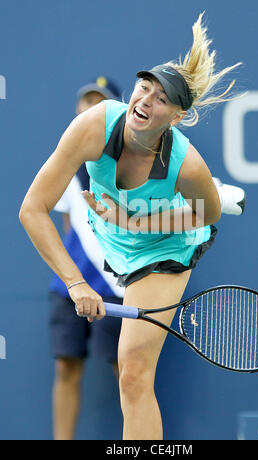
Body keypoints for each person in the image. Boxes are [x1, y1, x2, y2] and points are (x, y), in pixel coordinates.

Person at [20, 13, 244, 440]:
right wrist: (76, 283)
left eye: (162, 99)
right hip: (114, 234)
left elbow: (207, 216)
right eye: (145, 87)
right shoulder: (94, 125)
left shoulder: (186, 162)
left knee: (132, 374)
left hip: (166, 246)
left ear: (176, 117)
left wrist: (136, 218)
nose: (146, 100)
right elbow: (32, 209)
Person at [49, 76, 124, 441]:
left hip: (115, 285)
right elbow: (67, 224)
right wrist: (72, 277)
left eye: (101, 103)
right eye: (86, 102)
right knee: (66, 366)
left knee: (129, 374)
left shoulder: (128, 164)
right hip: (70, 286)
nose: (91, 109)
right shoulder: (65, 161)